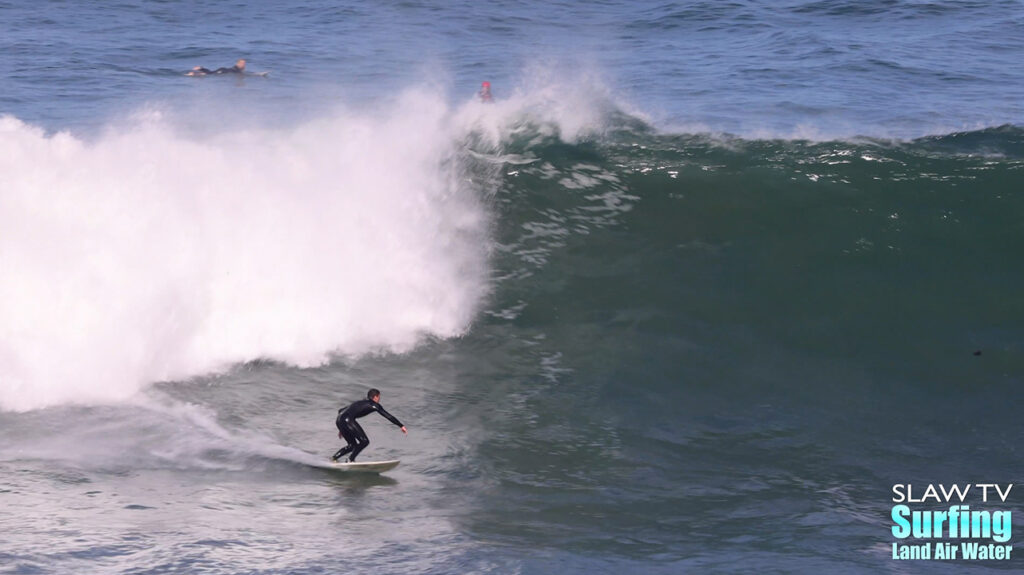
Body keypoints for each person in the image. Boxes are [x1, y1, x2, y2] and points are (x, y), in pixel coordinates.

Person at [332, 388, 407, 462]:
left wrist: (342, 429)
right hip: (347, 420)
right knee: (364, 441)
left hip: (339, 420)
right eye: (379, 397)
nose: (379, 399)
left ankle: (334, 458)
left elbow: (340, 410)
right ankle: (350, 459)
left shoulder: (360, 402)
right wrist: (401, 425)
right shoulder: (374, 405)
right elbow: (388, 416)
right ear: (376, 397)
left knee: (352, 445)